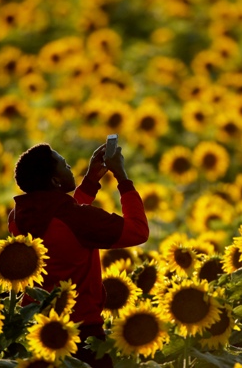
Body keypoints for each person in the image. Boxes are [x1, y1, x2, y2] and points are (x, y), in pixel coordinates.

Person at [8, 142, 149, 368]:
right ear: (55, 181)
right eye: (64, 164)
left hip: (37, 331)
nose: (70, 166)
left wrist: (91, 182)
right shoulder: (78, 220)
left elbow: (60, 221)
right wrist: (123, 178)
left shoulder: (18, 217)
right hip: (82, 333)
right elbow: (138, 231)